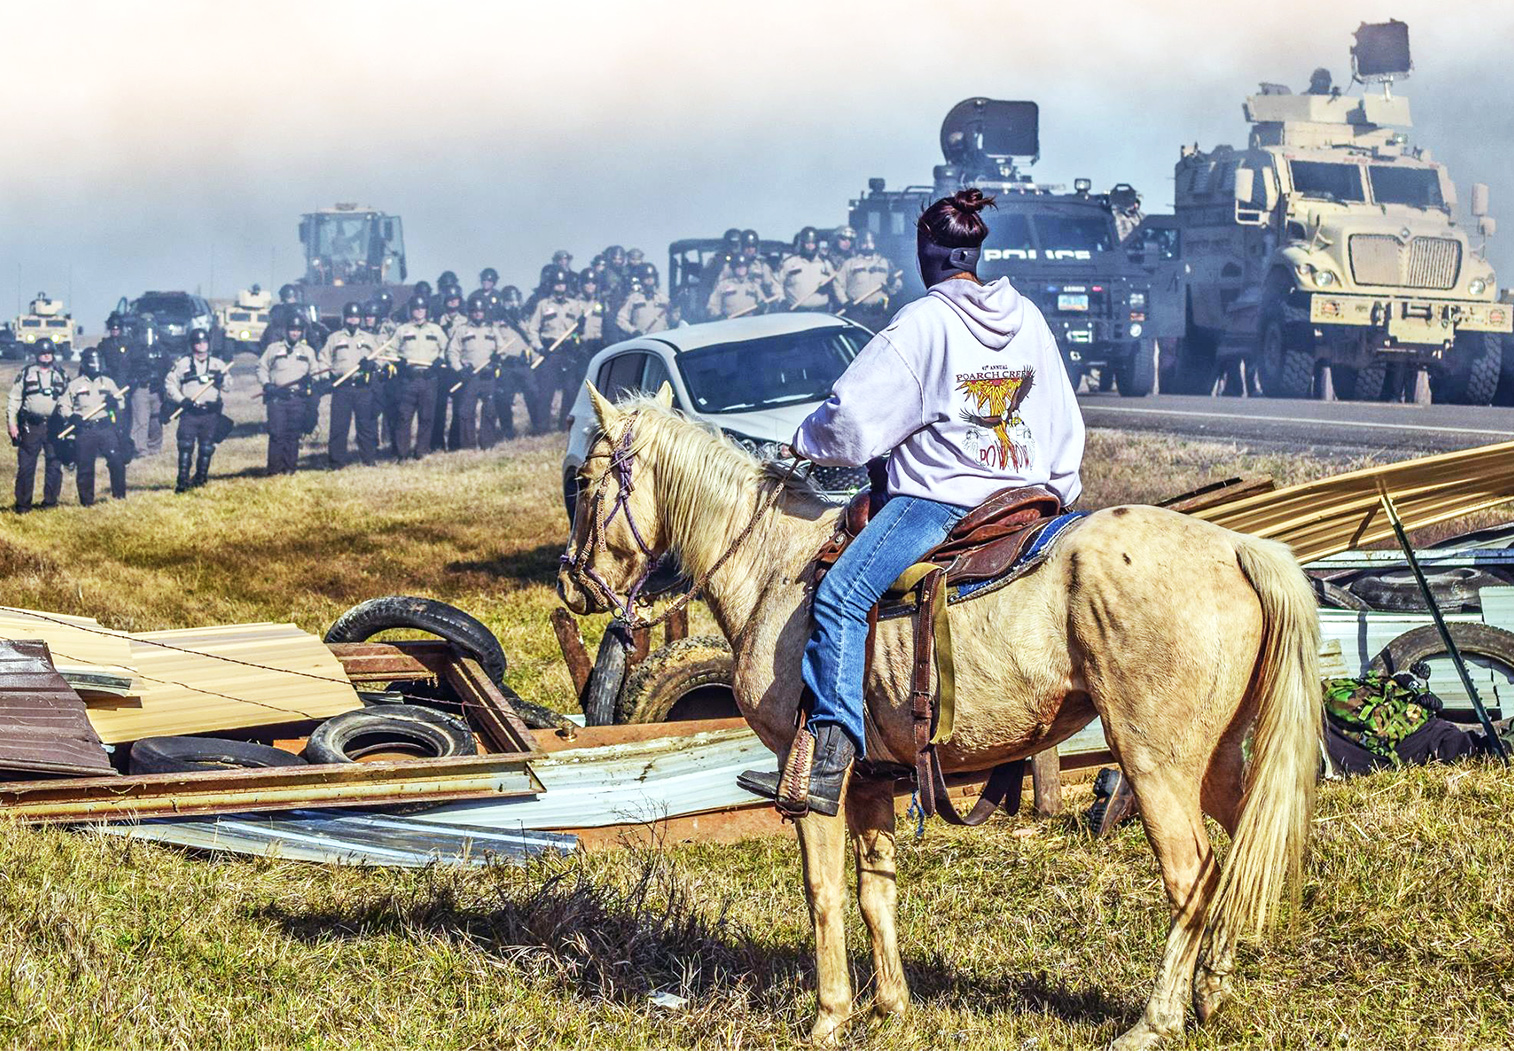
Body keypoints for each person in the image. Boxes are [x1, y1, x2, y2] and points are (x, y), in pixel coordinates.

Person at [738, 189, 1086, 816]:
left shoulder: (923, 323)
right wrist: (1055, 488)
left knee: (842, 594)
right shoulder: (1029, 317)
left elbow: (851, 420)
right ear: (977, 254)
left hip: (943, 504)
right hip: (1030, 499)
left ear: (926, 256)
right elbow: (1064, 416)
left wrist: (805, 439)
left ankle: (826, 758)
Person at [60, 347, 129, 507]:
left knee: (116, 461)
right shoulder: (75, 385)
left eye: (97, 361)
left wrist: (114, 403)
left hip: (105, 428)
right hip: (85, 430)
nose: (94, 364)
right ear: (84, 363)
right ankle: (86, 502)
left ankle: (119, 497)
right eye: (91, 361)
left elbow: (121, 402)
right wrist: (72, 417)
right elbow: (63, 405)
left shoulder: (108, 382)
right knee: (85, 466)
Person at [164, 327, 231, 491]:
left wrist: (222, 380)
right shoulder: (182, 364)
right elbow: (169, 384)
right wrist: (181, 400)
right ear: (192, 344)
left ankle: (200, 480)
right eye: (197, 342)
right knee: (185, 446)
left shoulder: (218, 364)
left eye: (204, 342)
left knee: (207, 447)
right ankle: (182, 482)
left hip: (210, 413)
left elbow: (229, 386)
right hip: (190, 412)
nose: (201, 346)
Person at [8, 338, 68, 513]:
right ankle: (23, 505)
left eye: (49, 353)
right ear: (37, 355)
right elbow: (14, 399)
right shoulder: (27, 374)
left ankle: (50, 503)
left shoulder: (61, 374)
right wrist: (12, 424)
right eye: (42, 353)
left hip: (54, 426)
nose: (46, 356)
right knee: (26, 466)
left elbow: (69, 399)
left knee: (54, 465)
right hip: (31, 426)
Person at [526, 267, 588, 429]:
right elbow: (532, 329)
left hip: (568, 351)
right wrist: (539, 348)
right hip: (549, 351)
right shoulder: (543, 305)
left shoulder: (575, 305)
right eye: (557, 284)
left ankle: (565, 427)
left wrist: (577, 335)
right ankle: (542, 428)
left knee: (570, 389)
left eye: (563, 284)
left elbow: (579, 333)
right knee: (546, 391)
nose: (560, 287)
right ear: (551, 285)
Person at [322, 302, 383, 468]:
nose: (353, 321)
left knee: (366, 426)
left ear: (360, 319)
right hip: (342, 388)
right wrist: (325, 378)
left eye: (356, 317)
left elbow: (381, 359)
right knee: (339, 427)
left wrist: (373, 365)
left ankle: (368, 460)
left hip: (363, 387)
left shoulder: (369, 339)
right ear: (344, 317)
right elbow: (323, 360)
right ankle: (336, 462)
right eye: (350, 317)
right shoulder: (334, 338)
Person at [387, 293, 448, 459]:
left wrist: (438, 361)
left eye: (422, 308)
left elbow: (446, 348)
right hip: (409, 378)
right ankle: (402, 453)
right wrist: (397, 362)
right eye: (416, 308)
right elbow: (390, 350)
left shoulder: (436, 330)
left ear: (426, 310)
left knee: (427, 417)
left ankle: (421, 451)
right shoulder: (402, 330)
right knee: (404, 417)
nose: (419, 311)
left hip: (429, 378)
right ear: (411, 310)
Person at [256, 317, 319, 475]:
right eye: (292, 330)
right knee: (277, 434)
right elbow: (261, 368)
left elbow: (316, 373)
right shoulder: (273, 349)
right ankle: (274, 470)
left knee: (293, 434)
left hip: (297, 398)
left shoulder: (308, 351)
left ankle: (290, 468)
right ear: (286, 331)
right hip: (277, 398)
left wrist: (309, 381)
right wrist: (267, 385)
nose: (295, 333)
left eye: (298, 330)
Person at [445, 294, 505, 449]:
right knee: (466, 411)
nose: (478, 314)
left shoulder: (492, 330)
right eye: (474, 311)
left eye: (481, 311)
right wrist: (459, 370)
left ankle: (488, 443)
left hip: (488, 375)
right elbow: (452, 352)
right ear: (469, 312)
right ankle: (468, 446)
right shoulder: (462, 330)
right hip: (470, 376)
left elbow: (503, 349)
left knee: (490, 410)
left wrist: (497, 360)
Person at [492, 298, 539, 438]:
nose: (512, 304)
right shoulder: (497, 324)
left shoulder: (524, 321)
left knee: (533, 394)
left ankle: (537, 426)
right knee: (504, 399)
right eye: (508, 300)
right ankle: (507, 431)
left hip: (523, 364)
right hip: (507, 365)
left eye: (514, 300)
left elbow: (533, 338)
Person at [835, 230, 902, 330]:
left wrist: (893, 283)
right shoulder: (850, 263)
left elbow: (898, 286)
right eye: (864, 242)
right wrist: (844, 301)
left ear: (875, 243)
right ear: (859, 244)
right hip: (858, 313)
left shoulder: (885, 263)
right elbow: (838, 284)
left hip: (880, 313)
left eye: (870, 242)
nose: (867, 245)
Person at [123, 324, 169, 458]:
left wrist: (161, 383)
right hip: (140, 389)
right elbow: (125, 369)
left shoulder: (162, 350)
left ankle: (154, 448)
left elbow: (168, 369)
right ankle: (141, 450)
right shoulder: (133, 350)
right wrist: (134, 379)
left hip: (157, 390)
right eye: (145, 333)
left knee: (156, 420)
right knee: (141, 420)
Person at [778, 226, 836, 311]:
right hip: (797, 310)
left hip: (821, 310)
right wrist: (782, 300)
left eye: (813, 243)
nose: (810, 246)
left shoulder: (826, 264)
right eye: (807, 243)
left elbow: (836, 284)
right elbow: (777, 284)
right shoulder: (790, 263)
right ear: (801, 244)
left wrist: (829, 288)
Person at [615, 264, 670, 335]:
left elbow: (672, 320)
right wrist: (633, 331)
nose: (649, 280)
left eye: (652, 277)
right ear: (641, 279)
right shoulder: (634, 298)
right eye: (646, 277)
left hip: (661, 340)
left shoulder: (663, 299)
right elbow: (621, 319)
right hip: (641, 340)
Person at [706, 254, 766, 319]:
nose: (741, 268)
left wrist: (763, 308)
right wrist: (718, 316)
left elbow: (764, 302)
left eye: (744, 266)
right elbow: (713, 305)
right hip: (730, 323)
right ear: (733, 268)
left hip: (750, 322)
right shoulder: (723, 285)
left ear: (747, 268)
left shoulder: (754, 286)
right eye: (738, 266)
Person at [97, 313, 131, 383]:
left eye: (117, 328)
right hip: (108, 377)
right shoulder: (103, 345)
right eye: (113, 328)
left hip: (126, 377)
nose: (115, 330)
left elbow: (135, 360)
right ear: (109, 328)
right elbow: (99, 361)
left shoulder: (128, 343)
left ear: (121, 329)